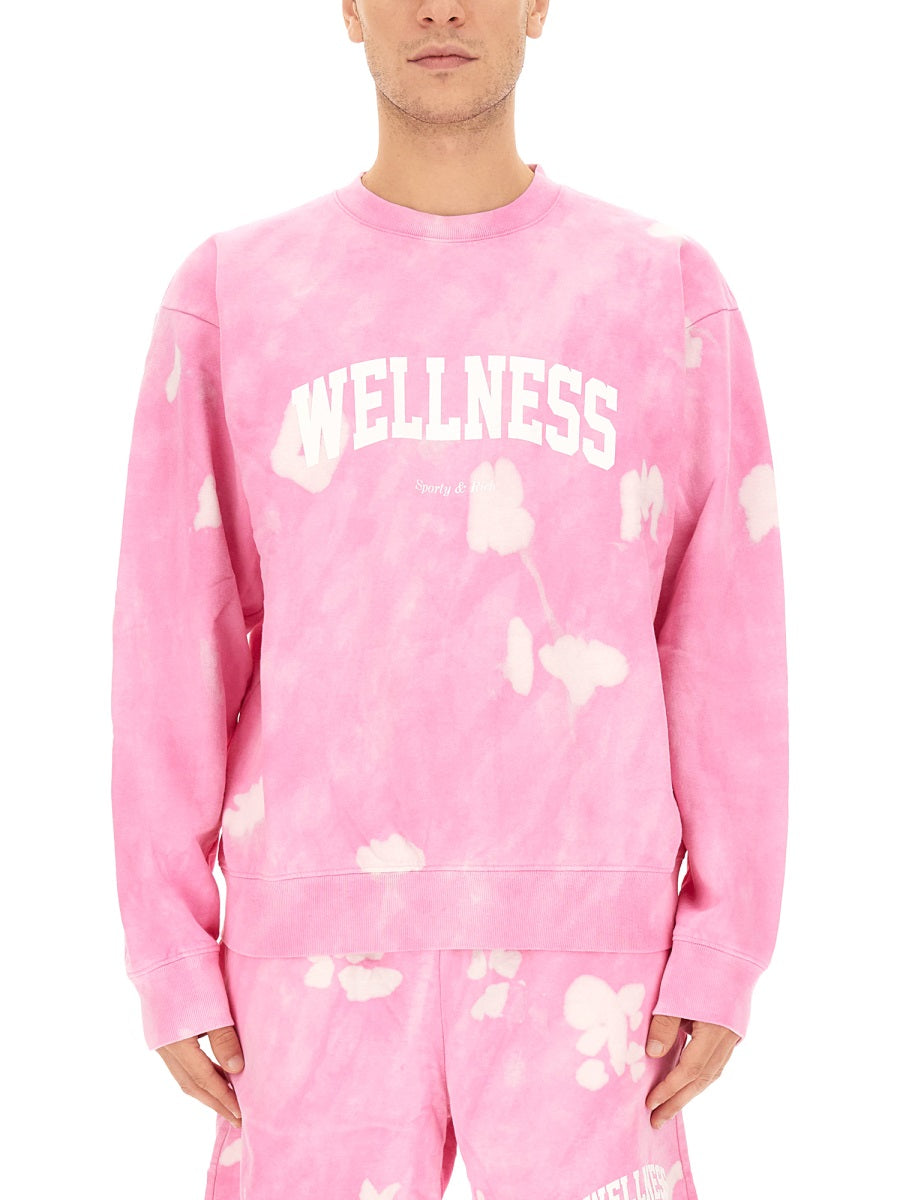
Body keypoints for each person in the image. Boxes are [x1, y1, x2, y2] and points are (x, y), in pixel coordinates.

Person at [109, 2, 789, 1197]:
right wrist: (169, 945)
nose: (439, 6)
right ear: (347, 9)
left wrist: (725, 941)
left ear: (539, 5)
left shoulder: (662, 291)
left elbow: (725, 631)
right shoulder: (234, 295)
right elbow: (172, 636)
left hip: (596, 960)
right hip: (308, 950)